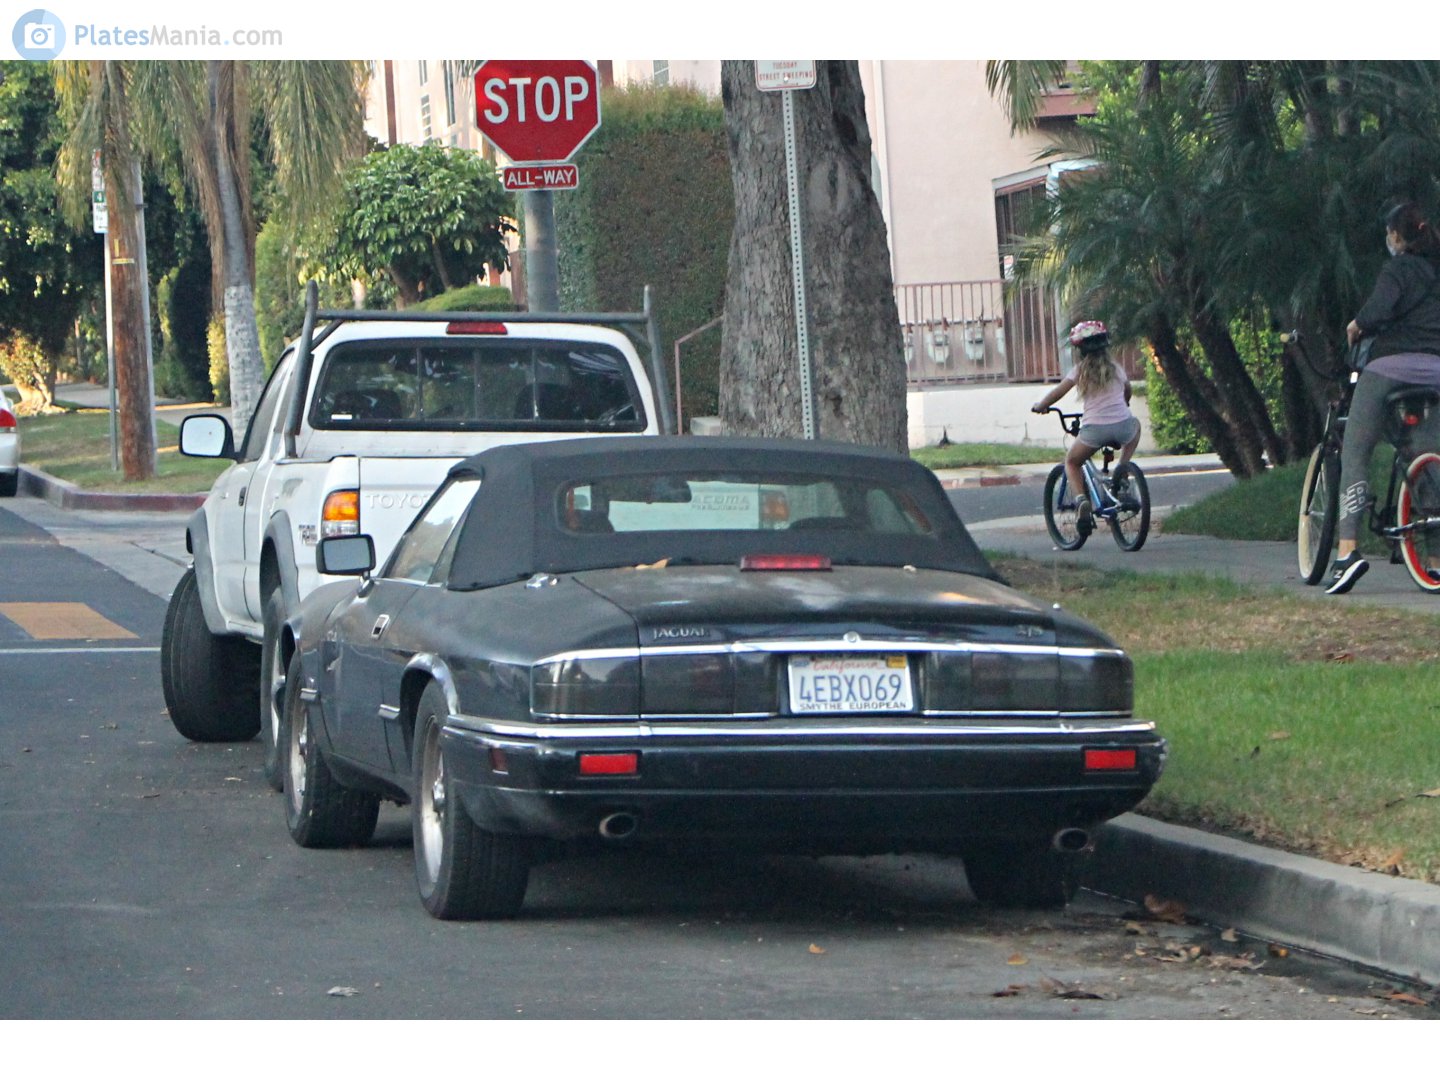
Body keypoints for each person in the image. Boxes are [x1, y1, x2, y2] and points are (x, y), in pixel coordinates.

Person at [1327, 200, 1440, 594]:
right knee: (1427, 456)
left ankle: (1347, 553)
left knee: (1355, 450)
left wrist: (1356, 324)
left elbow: (1378, 310)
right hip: (1436, 372)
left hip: (1390, 368)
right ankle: (1436, 560)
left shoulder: (1397, 269)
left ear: (1396, 236)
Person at [1030, 320, 1142, 533]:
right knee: (1135, 426)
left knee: (1072, 462)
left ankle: (1082, 500)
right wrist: (1123, 403)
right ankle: (1122, 469)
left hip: (1095, 430)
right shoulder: (1116, 368)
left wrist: (1041, 405)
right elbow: (1127, 391)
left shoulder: (1079, 370)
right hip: (1123, 426)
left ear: (1080, 350)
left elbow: (1058, 392)